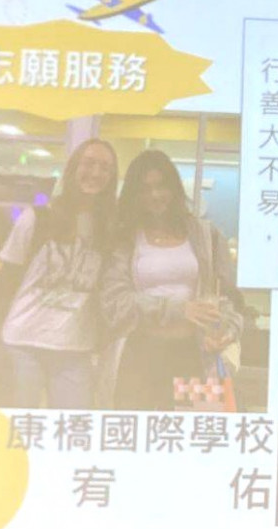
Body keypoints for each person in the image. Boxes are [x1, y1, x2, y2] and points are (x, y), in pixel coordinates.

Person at [99, 148, 241, 411]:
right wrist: (178, 309)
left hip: (194, 356)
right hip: (138, 357)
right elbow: (114, 304)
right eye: (145, 189)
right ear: (133, 195)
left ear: (174, 188)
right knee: (135, 431)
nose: (155, 195)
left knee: (192, 431)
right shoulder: (125, 237)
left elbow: (229, 298)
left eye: (161, 186)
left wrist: (226, 331)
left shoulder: (206, 235)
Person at [0, 138, 118, 408]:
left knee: (73, 427)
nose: (96, 173)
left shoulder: (109, 228)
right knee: (21, 425)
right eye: (89, 163)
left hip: (75, 348)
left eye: (105, 168)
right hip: (22, 341)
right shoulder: (38, 217)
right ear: (73, 168)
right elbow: (5, 280)